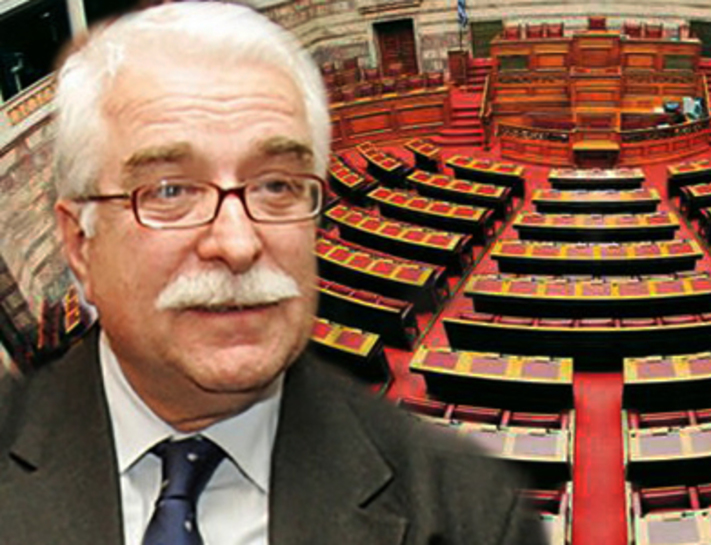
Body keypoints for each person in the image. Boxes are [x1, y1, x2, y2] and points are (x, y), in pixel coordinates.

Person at [0, 4, 545, 544]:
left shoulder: (462, 505)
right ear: (80, 245)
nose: (238, 245)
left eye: (276, 185)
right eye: (169, 191)